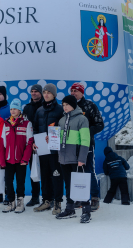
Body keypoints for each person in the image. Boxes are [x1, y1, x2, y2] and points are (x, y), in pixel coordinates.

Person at [55, 95, 91, 223]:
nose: (64, 107)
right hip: (64, 158)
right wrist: (51, 140)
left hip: (76, 159)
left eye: (67, 105)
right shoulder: (61, 120)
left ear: (74, 105)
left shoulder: (82, 119)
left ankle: (86, 210)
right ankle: (70, 209)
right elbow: (59, 139)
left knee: (81, 185)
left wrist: (82, 157)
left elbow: (86, 140)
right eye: (63, 105)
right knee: (68, 185)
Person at [71, 82, 104, 211]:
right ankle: (80, 197)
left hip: (86, 144)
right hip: (72, 146)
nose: (73, 93)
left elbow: (100, 124)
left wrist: (85, 133)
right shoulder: (68, 106)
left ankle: (95, 197)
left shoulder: (90, 105)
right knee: (76, 171)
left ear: (82, 93)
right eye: (72, 91)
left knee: (89, 170)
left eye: (76, 91)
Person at [33, 83, 64, 215]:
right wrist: (34, 141)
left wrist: (55, 137)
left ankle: (58, 202)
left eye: (49, 93)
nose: (46, 95)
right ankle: (46, 200)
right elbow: (35, 128)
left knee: (56, 175)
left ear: (54, 95)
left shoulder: (59, 110)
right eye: (45, 92)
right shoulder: (39, 110)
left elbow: (63, 128)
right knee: (45, 176)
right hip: (42, 149)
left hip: (55, 149)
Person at [0, 99, 34, 213]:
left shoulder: (26, 123)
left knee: (20, 181)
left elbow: (29, 143)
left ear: (20, 110)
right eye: (11, 109)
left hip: (21, 160)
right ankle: (11, 202)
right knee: (8, 181)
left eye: (15, 109)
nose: (13, 111)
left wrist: (25, 158)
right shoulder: (5, 124)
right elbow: (2, 143)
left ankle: (20, 202)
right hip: (9, 159)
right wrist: (2, 160)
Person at [22, 84, 43, 207]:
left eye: (36, 91)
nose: (34, 93)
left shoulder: (44, 106)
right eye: (32, 91)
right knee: (33, 170)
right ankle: (35, 197)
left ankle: (47, 197)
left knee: (45, 171)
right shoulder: (27, 108)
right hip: (30, 143)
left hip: (43, 143)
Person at [0, 85, 11, 204]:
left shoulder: (9, 108)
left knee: (7, 170)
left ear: (4, 95)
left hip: (7, 143)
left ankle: (8, 195)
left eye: (0, 94)